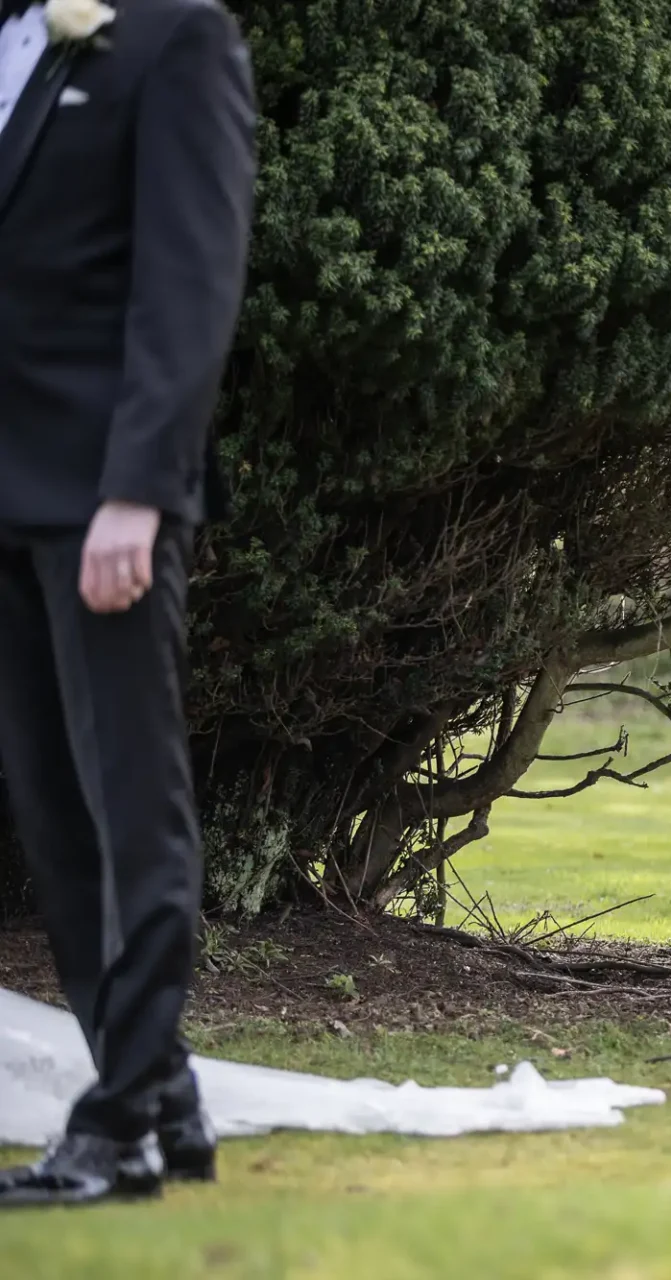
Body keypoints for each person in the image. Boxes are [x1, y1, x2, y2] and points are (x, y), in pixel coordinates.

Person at [0, 0, 257, 1205]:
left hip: (102, 503)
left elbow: (188, 281)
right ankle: (161, 1094)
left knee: (128, 811)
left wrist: (140, 493)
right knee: (54, 820)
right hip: (4, 501)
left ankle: (117, 1129)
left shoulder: (174, 37)